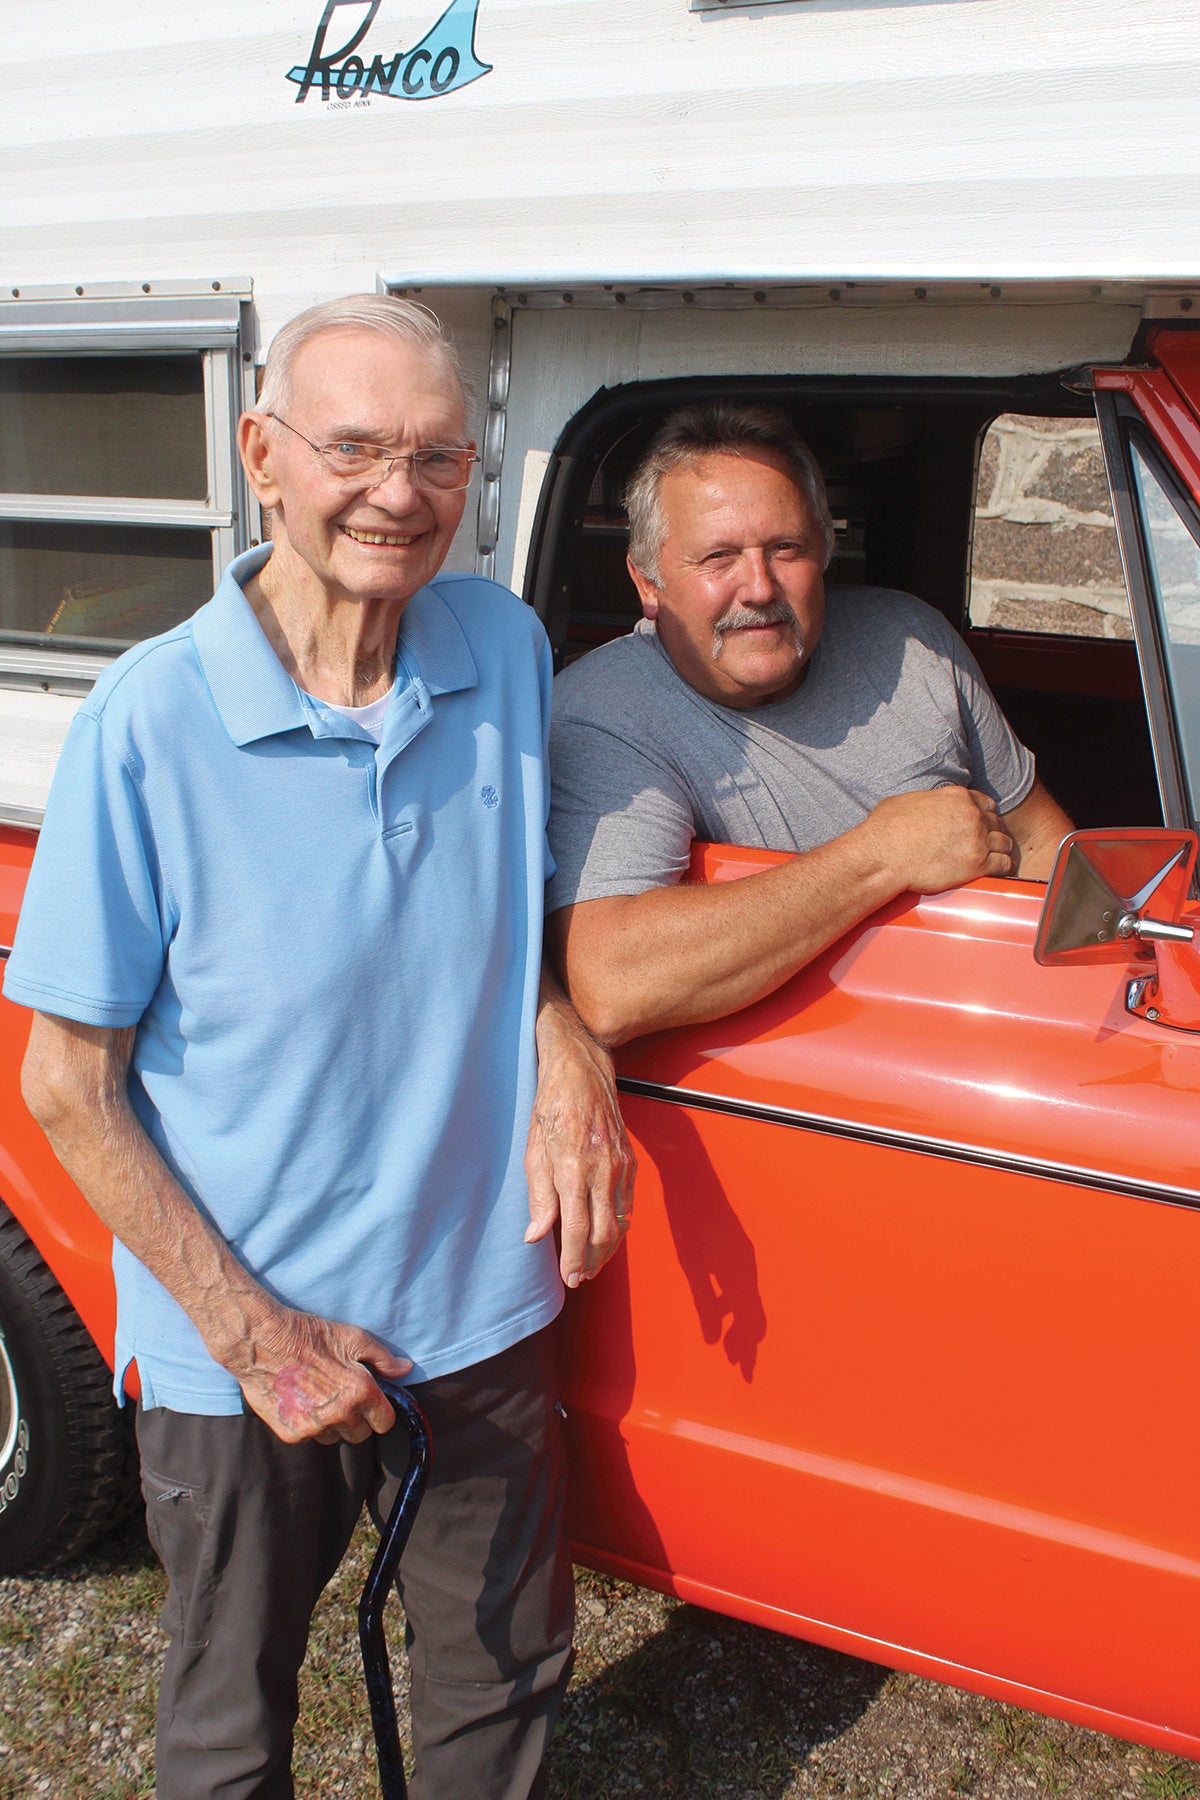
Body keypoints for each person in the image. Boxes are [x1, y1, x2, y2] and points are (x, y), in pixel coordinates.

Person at [4, 294, 634, 1800]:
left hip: (478, 1299)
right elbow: (65, 1087)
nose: (398, 495)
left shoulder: (504, 644)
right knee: (230, 1724)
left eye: (436, 456)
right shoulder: (148, 725)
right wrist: (256, 1337)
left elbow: (492, 902)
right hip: (248, 1345)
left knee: (502, 1681)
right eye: (354, 448)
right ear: (261, 456)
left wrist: (561, 1036)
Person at [547, 401, 1073, 1045]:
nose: (760, 587)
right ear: (647, 582)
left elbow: (1046, 848)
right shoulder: (603, 713)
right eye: (718, 558)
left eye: (785, 548)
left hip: (989, 1037)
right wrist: (881, 857)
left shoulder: (910, 641)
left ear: (824, 548)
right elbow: (613, 983)